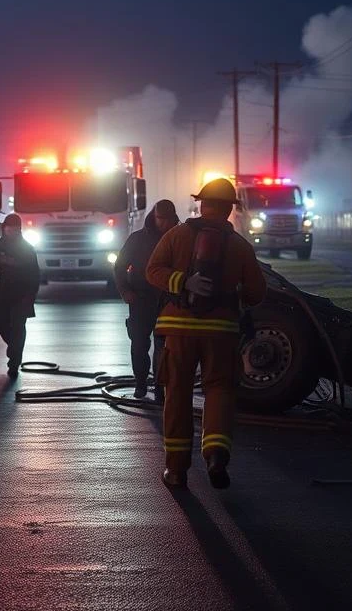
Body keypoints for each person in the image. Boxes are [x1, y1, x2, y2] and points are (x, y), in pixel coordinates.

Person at [145, 178, 266, 490]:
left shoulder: (176, 235)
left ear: (201, 204)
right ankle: (215, 454)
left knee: (177, 394)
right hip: (221, 333)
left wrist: (182, 282)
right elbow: (256, 294)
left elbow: (152, 271)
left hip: (179, 331)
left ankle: (175, 470)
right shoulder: (240, 246)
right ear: (228, 209)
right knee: (219, 392)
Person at [114, 199, 180, 401]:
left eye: (168, 220)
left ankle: (160, 388)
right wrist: (126, 292)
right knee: (139, 345)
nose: (164, 224)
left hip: (166, 301)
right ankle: (141, 383)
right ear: (154, 216)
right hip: (140, 300)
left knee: (163, 347)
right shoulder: (137, 239)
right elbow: (119, 267)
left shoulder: (177, 239)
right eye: (161, 219)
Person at [0, 214, 39, 376]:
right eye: (9, 228)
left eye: (16, 228)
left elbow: (34, 274)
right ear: (4, 229)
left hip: (21, 295)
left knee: (18, 327)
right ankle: (15, 349)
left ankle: (14, 362)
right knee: (2, 325)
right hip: (1, 295)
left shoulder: (27, 249)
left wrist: (31, 295)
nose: (12, 231)